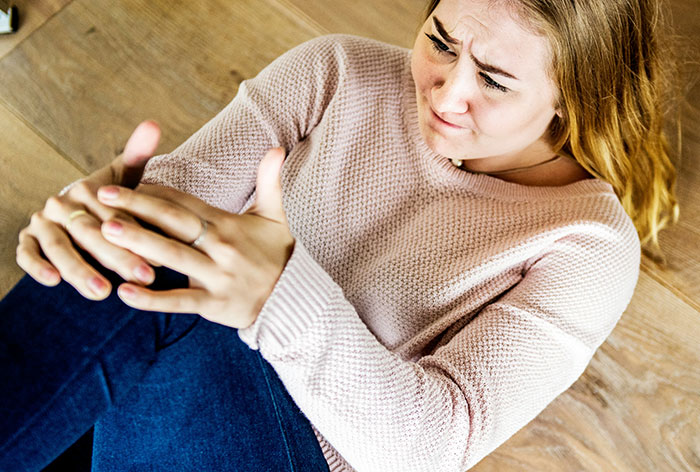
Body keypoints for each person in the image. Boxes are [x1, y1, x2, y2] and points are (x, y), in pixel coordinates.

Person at [1, 0, 680, 470]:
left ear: (577, 96)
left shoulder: (588, 246)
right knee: (135, 247)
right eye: (441, 42)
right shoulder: (336, 71)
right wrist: (93, 217)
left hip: (301, 455)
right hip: (144, 400)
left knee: (178, 283)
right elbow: (180, 196)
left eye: (495, 81)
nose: (445, 96)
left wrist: (276, 295)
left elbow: (432, 448)